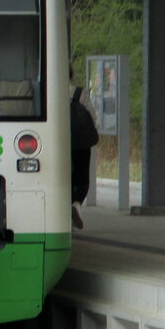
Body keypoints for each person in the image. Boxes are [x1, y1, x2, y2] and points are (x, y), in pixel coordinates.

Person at [69, 65, 99, 229]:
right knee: (82, 177)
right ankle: (77, 203)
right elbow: (92, 117)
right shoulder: (80, 93)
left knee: (64, 177)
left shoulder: (49, 91)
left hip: (58, 143)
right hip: (80, 142)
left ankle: (63, 210)